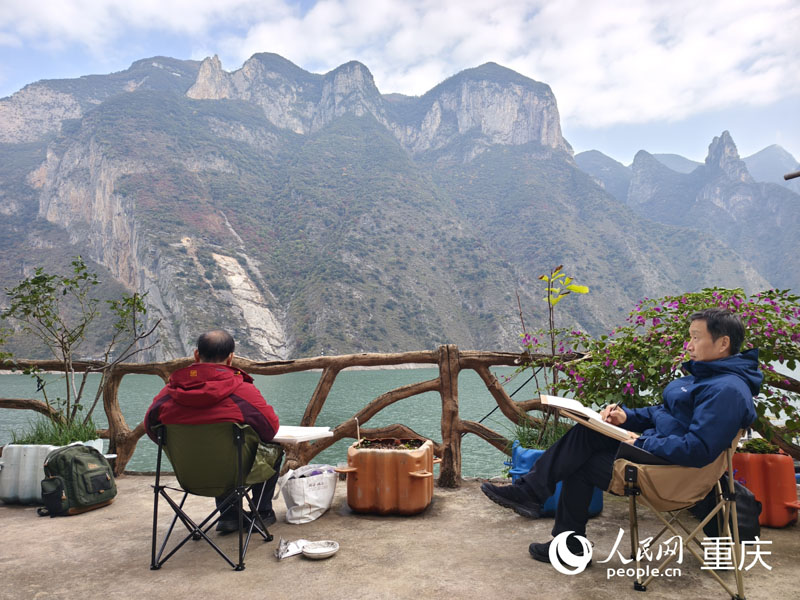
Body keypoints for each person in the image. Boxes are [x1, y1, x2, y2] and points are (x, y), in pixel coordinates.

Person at [480, 308, 762, 564]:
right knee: (586, 432)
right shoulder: (704, 378)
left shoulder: (726, 390)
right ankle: (536, 499)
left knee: (579, 462)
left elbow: (698, 449)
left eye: (696, 338)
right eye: (689, 337)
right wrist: (626, 417)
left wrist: (642, 441)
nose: (688, 345)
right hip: (662, 456)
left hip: (673, 475)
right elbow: (662, 413)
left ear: (723, 343)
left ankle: (559, 533)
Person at [145, 329, 281, 534]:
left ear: (196, 355)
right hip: (234, 474)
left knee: (221, 456)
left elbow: (151, 427)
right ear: (231, 359)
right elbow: (270, 430)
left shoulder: (169, 392)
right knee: (273, 449)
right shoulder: (242, 391)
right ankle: (261, 513)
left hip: (189, 476)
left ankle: (229, 515)